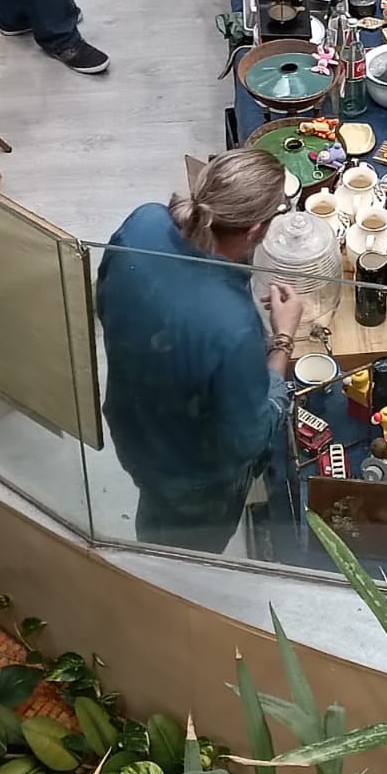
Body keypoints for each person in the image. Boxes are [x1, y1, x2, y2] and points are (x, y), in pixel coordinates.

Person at [96, 151, 304, 551]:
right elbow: (249, 437)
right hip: (194, 478)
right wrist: (283, 338)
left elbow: (105, 304)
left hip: (133, 425)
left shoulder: (145, 221)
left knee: (155, 514)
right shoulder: (232, 324)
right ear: (256, 230)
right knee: (186, 555)